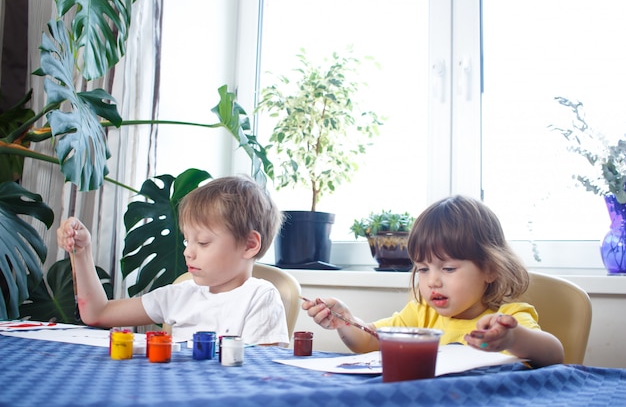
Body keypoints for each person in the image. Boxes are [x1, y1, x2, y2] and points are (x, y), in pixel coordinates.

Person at [303, 195, 564, 367]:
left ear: (490, 269)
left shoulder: (508, 318)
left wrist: (512, 339)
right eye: (423, 269)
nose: (432, 282)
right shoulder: (421, 315)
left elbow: (554, 355)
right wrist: (344, 320)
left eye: (448, 268)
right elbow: (368, 341)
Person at [57, 175, 289, 346]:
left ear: (249, 245)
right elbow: (97, 313)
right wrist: (82, 251)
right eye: (187, 241)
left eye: (203, 242)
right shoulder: (179, 295)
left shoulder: (259, 298)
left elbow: (262, 374)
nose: (188, 252)